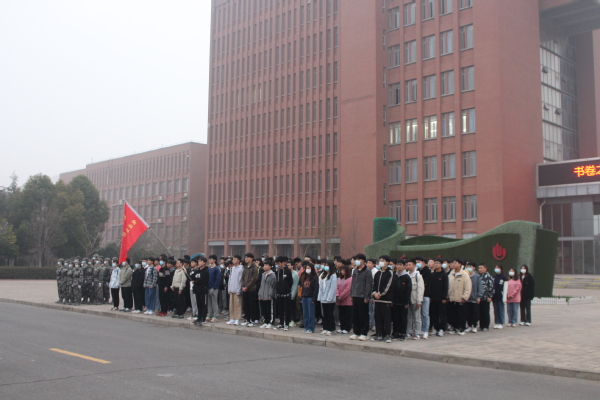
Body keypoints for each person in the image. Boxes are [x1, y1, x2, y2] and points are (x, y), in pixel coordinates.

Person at [349, 254, 372, 341]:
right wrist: (351, 294)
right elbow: (353, 284)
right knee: (355, 315)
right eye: (356, 259)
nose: (357, 261)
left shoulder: (367, 271)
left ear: (363, 260)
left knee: (363, 315)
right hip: (355, 295)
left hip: (362, 296)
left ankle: (364, 333)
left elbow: (368, 285)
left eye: (358, 259)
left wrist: (367, 297)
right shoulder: (355, 271)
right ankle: (356, 332)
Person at [447, 258, 472, 335]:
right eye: (453, 263)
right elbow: (448, 286)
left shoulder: (464, 275)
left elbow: (468, 287)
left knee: (461, 314)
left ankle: (462, 328)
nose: (453, 264)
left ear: (460, 264)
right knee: (453, 314)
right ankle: (455, 327)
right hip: (452, 298)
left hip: (460, 298)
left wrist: (465, 297)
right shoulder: (451, 274)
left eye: (455, 263)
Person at [372, 255, 394, 343]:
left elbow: (388, 285)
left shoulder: (390, 273)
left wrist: (380, 294)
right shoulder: (377, 273)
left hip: (385, 299)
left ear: (387, 262)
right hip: (377, 299)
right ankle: (379, 333)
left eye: (383, 260)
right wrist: (374, 293)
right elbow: (374, 285)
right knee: (378, 317)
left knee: (386, 318)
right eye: (380, 260)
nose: (381, 262)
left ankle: (387, 334)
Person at [429, 258, 449, 337]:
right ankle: (436, 328)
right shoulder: (432, 275)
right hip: (433, 298)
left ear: (441, 265)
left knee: (442, 314)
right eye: (435, 263)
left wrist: (444, 297)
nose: (436, 265)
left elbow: (446, 287)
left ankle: (442, 329)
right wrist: (430, 296)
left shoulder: (444, 275)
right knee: (434, 314)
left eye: (438, 263)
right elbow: (430, 286)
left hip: (441, 299)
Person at [317, 260, 338, 336]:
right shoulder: (324, 275)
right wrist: (319, 297)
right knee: (324, 314)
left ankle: (330, 328)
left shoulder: (333, 276)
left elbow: (333, 288)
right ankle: (325, 328)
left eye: (327, 265)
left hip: (330, 299)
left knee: (330, 314)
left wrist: (329, 298)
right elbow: (321, 287)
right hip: (323, 298)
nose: (325, 267)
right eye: (325, 265)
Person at [406, 259, 424, 340]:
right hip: (408, 300)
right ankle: (408, 332)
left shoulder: (417, 275)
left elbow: (420, 288)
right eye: (407, 265)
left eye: (410, 265)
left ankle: (417, 333)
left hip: (415, 299)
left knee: (417, 317)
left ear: (414, 265)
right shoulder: (406, 275)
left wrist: (419, 300)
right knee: (408, 317)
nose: (408, 266)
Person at [275, 256, 294, 330]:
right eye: (276, 263)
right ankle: (281, 323)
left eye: (278, 263)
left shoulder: (287, 271)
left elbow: (290, 282)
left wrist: (287, 288)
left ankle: (287, 324)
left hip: (286, 293)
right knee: (280, 309)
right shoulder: (277, 271)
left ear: (283, 263)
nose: (277, 265)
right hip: (279, 293)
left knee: (287, 309)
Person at [241, 253, 259, 327]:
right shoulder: (245, 268)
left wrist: (247, 287)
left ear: (251, 258)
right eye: (245, 257)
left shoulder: (254, 268)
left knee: (252, 305)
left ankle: (252, 319)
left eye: (248, 257)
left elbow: (254, 279)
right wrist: (243, 286)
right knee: (246, 305)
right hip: (245, 289)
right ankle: (247, 319)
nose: (246, 259)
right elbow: (242, 278)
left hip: (252, 289)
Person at [300, 262, 319, 334]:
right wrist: (301, 297)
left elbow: (316, 289)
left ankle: (311, 328)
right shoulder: (304, 277)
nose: (307, 269)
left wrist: (314, 298)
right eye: (306, 268)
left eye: (309, 268)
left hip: (310, 297)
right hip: (304, 296)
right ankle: (306, 327)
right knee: (305, 313)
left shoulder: (314, 277)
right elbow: (302, 287)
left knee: (311, 313)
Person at [258, 259, 277, 329]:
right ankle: (265, 322)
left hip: (269, 295)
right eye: (264, 265)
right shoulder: (263, 274)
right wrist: (260, 294)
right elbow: (261, 285)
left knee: (269, 309)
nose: (265, 267)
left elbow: (272, 286)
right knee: (264, 309)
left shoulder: (272, 275)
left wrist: (270, 295)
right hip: (262, 294)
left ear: (270, 266)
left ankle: (270, 322)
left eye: (266, 265)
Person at [465, 261, 483, 333]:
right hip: (467, 298)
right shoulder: (465, 275)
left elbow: (480, 287)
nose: (469, 268)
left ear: (474, 268)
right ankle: (469, 325)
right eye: (468, 266)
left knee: (474, 313)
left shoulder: (477, 277)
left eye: (470, 266)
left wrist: (479, 296)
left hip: (474, 298)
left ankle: (474, 326)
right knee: (468, 313)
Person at [226, 256, 244, 326]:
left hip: (237, 289)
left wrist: (239, 289)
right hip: (231, 289)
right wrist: (229, 288)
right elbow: (230, 279)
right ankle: (232, 318)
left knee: (237, 305)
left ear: (239, 260)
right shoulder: (232, 268)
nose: (233, 260)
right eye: (233, 259)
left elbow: (240, 280)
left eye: (235, 259)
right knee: (231, 305)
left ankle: (237, 319)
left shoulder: (241, 269)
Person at [336, 262, 353, 334]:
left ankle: (347, 328)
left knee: (347, 315)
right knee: (341, 314)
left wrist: (341, 296)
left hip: (347, 300)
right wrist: (337, 295)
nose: (342, 272)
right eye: (341, 270)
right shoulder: (340, 279)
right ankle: (342, 327)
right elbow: (337, 287)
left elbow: (348, 289)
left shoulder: (350, 279)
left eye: (344, 270)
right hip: (340, 300)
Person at [192, 256, 210, 325]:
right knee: (198, 304)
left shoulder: (206, 271)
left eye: (200, 261)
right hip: (197, 290)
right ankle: (199, 317)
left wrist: (195, 281)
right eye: (198, 261)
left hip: (203, 290)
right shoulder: (197, 270)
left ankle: (203, 318)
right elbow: (192, 277)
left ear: (204, 263)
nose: (199, 263)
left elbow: (202, 279)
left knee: (203, 305)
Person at [478, 263, 494, 331]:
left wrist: (490, 296)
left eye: (481, 268)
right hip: (480, 297)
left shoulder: (489, 277)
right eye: (479, 268)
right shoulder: (479, 276)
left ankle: (485, 325)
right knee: (480, 311)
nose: (480, 269)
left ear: (485, 268)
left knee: (485, 311)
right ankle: (481, 325)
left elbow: (491, 287)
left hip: (486, 297)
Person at [419, 258, 433, 338]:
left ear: (423, 262)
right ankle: (420, 329)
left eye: (419, 262)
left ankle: (425, 330)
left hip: (425, 295)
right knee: (418, 314)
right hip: (418, 295)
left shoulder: (427, 271)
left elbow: (424, 283)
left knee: (425, 313)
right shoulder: (417, 271)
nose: (417, 263)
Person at [207, 255, 221, 323]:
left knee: (214, 302)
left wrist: (215, 287)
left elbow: (218, 279)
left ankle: (215, 315)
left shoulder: (217, 268)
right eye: (209, 259)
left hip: (214, 288)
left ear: (214, 260)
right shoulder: (209, 268)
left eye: (211, 259)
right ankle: (210, 314)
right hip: (208, 287)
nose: (209, 260)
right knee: (209, 302)